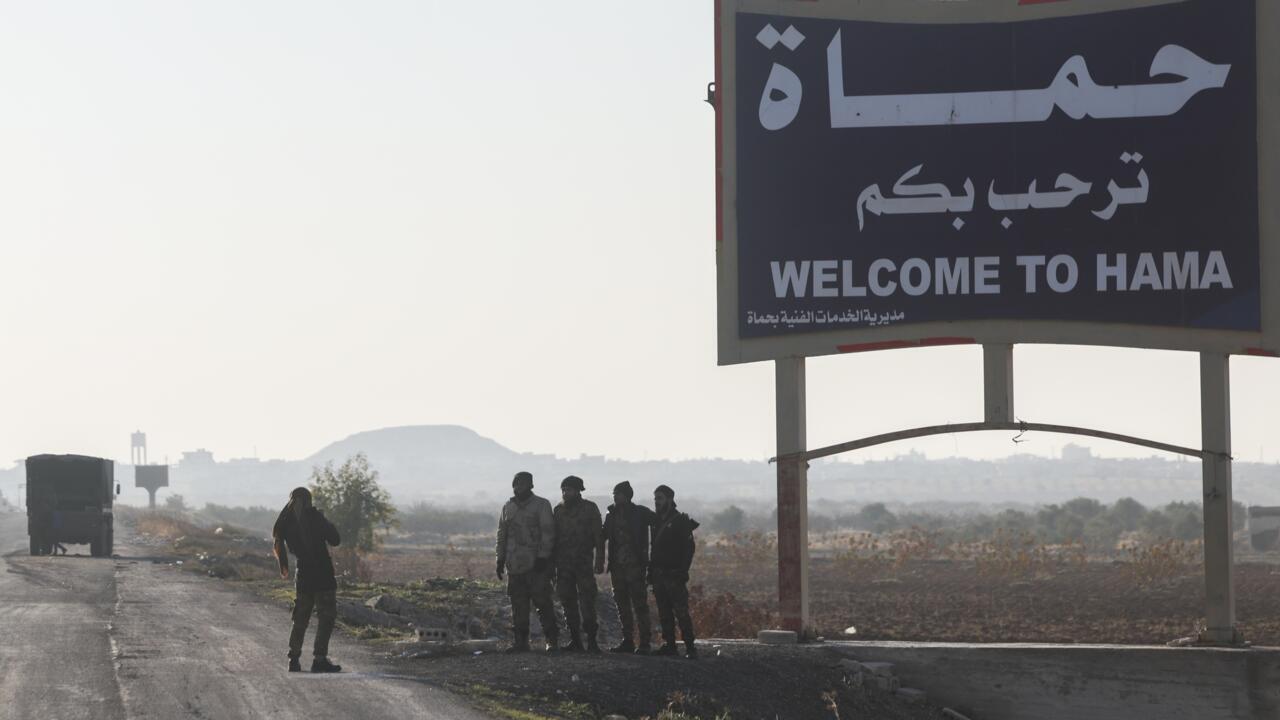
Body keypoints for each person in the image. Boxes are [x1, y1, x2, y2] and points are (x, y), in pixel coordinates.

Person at [272, 487, 342, 673]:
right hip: (323, 575)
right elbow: (335, 539)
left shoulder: (285, 523)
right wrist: (326, 520)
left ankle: (293, 659)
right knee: (326, 617)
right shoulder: (315, 517)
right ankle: (319, 659)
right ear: (309, 501)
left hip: (303, 576)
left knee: (300, 619)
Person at [496, 471, 559, 653]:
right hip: (515, 565)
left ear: (530, 485)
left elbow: (548, 533)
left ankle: (552, 641)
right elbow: (502, 535)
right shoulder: (508, 507)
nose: (518, 488)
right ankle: (521, 642)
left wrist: (543, 557)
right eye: (516, 484)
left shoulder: (541, 505)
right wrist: (500, 559)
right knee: (518, 605)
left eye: (522, 484)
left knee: (543, 603)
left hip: (536, 564)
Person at [551, 475, 605, 653]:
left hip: (583, 564)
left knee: (587, 602)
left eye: (569, 490)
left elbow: (599, 538)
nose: (566, 493)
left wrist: (600, 560)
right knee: (567, 602)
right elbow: (553, 539)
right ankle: (575, 640)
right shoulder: (558, 510)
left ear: (578, 491)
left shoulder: (590, 509)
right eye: (564, 490)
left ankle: (592, 641)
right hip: (563, 565)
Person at [602, 481, 657, 654]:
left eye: (618, 494)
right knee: (622, 605)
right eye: (614, 494)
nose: (616, 497)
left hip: (635, 566)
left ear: (627, 496)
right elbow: (602, 535)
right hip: (617, 567)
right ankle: (628, 641)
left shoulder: (640, 513)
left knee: (640, 605)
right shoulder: (611, 516)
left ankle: (645, 643)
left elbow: (660, 520)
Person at [649, 484, 700, 659]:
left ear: (670, 499)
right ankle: (670, 645)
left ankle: (690, 647)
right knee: (664, 612)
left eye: (660, 498)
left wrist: (682, 571)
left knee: (681, 612)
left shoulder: (680, 520)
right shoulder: (657, 521)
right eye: (655, 498)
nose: (657, 502)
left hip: (674, 574)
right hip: (659, 574)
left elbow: (689, 548)